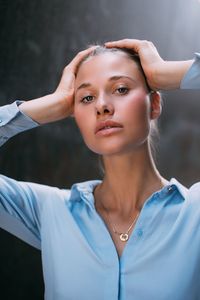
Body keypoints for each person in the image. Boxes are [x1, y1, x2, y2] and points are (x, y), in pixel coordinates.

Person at [0, 39, 200, 300]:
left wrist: (169, 73)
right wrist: (50, 105)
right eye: (86, 97)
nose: (102, 106)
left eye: (120, 89)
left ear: (154, 104)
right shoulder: (50, 210)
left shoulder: (194, 213)